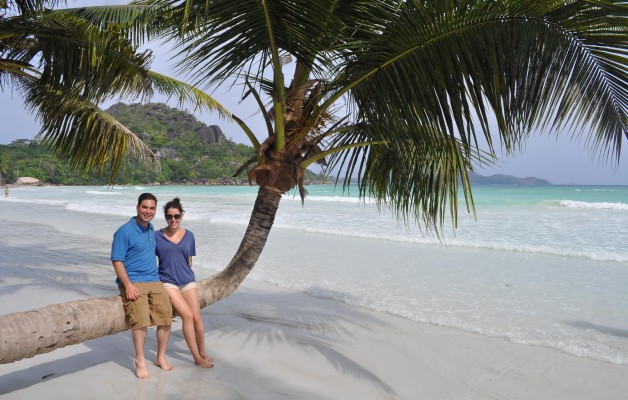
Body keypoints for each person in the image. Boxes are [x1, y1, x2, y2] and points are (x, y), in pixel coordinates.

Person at [111, 193, 173, 379]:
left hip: (154, 280)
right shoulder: (124, 231)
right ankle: (140, 359)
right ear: (137, 207)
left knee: (166, 318)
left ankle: (160, 357)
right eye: (145, 207)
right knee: (140, 321)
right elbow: (117, 260)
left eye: (152, 208)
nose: (148, 211)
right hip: (134, 281)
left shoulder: (151, 230)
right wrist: (127, 285)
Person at [156, 198, 214, 368]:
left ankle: (202, 352)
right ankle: (196, 357)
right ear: (165, 217)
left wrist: (187, 276)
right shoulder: (156, 236)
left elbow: (188, 260)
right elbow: (144, 257)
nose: (173, 219)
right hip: (168, 282)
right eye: (169, 216)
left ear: (182, 216)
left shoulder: (189, 235)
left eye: (176, 216)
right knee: (187, 316)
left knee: (197, 318)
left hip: (187, 281)